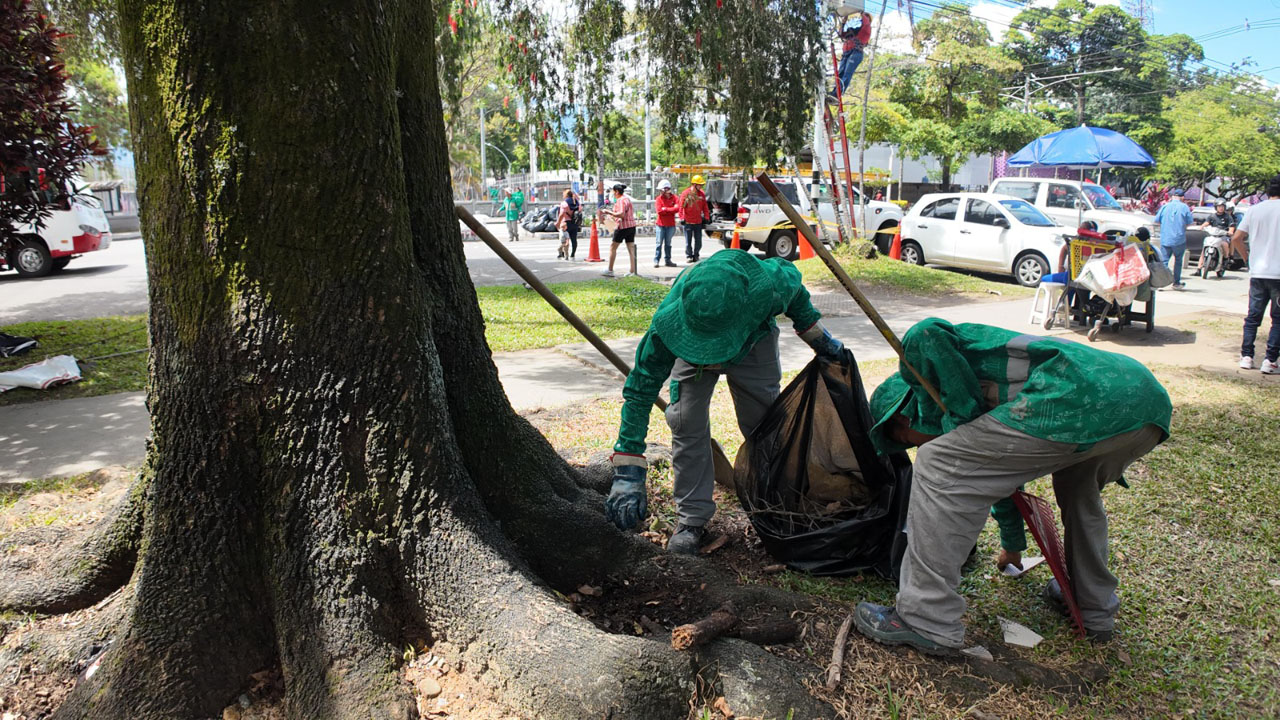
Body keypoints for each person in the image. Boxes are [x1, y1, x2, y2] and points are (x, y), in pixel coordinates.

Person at [854, 318, 1171, 654]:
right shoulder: (971, 386)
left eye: (905, 439)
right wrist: (1013, 544)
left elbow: (926, 331)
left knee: (937, 460)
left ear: (904, 417)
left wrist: (957, 419)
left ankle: (925, 618)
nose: (912, 445)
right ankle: (1093, 607)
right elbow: (996, 472)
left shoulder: (933, 379)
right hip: (1141, 402)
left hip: (1075, 396)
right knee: (1080, 491)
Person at [603, 250, 846, 552]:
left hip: (752, 339)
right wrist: (628, 466)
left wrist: (819, 338)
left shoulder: (771, 284)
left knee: (764, 422)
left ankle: (776, 505)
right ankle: (691, 519)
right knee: (685, 420)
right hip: (689, 347)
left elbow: (796, 295)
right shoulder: (668, 327)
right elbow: (640, 391)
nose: (712, 357)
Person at [1231, 174, 1280, 374]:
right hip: (1278, 275)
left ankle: (1247, 356)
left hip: (1258, 272)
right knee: (1278, 319)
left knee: (1253, 317)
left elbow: (1237, 238)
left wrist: (1247, 258)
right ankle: (1270, 360)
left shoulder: (1255, 210)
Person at [1153, 188, 1194, 289]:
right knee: (1178, 261)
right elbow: (1189, 222)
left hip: (1166, 238)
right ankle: (1176, 283)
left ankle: (1161, 283)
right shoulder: (1184, 207)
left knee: (1164, 261)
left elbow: (1156, 220)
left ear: (1172, 197)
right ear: (1182, 197)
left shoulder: (1165, 206)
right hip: (1179, 239)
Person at [598, 183, 638, 278]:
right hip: (631, 226)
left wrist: (608, 212)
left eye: (613, 192)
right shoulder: (627, 199)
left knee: (613, 247)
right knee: (631, 248)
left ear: (616, 192)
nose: (613, 194)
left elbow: (621, 214)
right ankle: (632, 271)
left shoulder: (620, 200)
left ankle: (610, 269)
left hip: (622, 227)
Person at [835, 11, 872, 98]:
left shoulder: (866, 30)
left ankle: (838, 94)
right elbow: (841, 34)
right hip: (846, 53)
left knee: (847, 74)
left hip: (855, 53)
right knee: (840, 74)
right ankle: (835, 93)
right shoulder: (855, 31)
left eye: (866, 17)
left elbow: (866, 23)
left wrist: (861, 12)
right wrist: (843, 23)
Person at [679, 175, 711, 263]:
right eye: (699, 184)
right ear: (694, 184)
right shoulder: (686, 193)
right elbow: (681, 207)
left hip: (698, 222)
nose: (700, 186)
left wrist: (707, 217)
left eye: (701, 185)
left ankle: (696, 255)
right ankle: (689, 256)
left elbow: (705, 207)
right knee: (688, 242)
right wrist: (681, 218)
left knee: (698, 241)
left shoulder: (702, 194)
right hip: (688, 222)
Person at [653, 179, 680, 268]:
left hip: (670, 225)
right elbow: (659, 211)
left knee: (668, 244)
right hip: (660, 225)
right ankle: (656, 260)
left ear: (666, 189)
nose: (660, 192)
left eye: (661, 190)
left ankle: (668, 260)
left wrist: (666, 209)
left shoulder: (675, 198)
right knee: (659, 243)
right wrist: (670, 209)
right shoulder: (659, 199)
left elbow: (677, 209)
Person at [556, 189, 582, 261]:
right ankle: (573, 254)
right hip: (575, 223)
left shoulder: (564, 203)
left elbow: (561, 214)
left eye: (563, 194)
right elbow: (580, 211)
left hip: (566, 224)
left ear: (566, 195)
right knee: (574, 239)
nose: (563, 196)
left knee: (563, 239)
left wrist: (558, 222)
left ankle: (562, 253)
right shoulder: (577, 203)